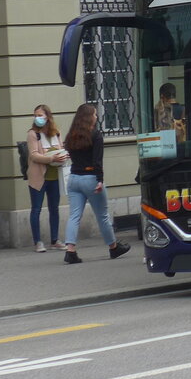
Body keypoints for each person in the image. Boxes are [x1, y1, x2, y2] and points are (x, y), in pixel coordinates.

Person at [62, 103, 130, 264]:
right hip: (90, 178)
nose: (96, 117)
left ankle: (70, 250)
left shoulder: (71, 135)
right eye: (94, 114)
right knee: (102, 215)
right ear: (88, 117)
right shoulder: (96, 135)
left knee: (74, 216)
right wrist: (100, 180)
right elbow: (97, 161)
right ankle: (113, 247)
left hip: (73, 179)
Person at [26, 104, 68, 252]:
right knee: (36, 209)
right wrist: (51, 158)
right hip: (38, 176)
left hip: (54, 176)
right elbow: (33, 155)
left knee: (54, 208)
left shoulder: (56, 133)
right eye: (35, 115)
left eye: (40, 115)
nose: (37, 118)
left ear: (48, 117)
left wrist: (63, 156)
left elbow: (61, 148)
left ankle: (55, 239)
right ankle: (37, 241)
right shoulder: (33, 134)